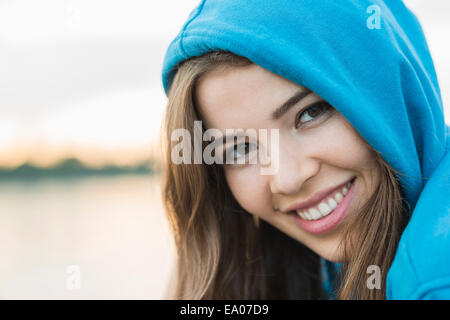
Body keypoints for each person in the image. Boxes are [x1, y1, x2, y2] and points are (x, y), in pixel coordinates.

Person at [159, 0, 450, 299]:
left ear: (386, 90)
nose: (287, 178)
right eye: (240, 149)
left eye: (310, 114)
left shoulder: (435, 280)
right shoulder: (309, 258)